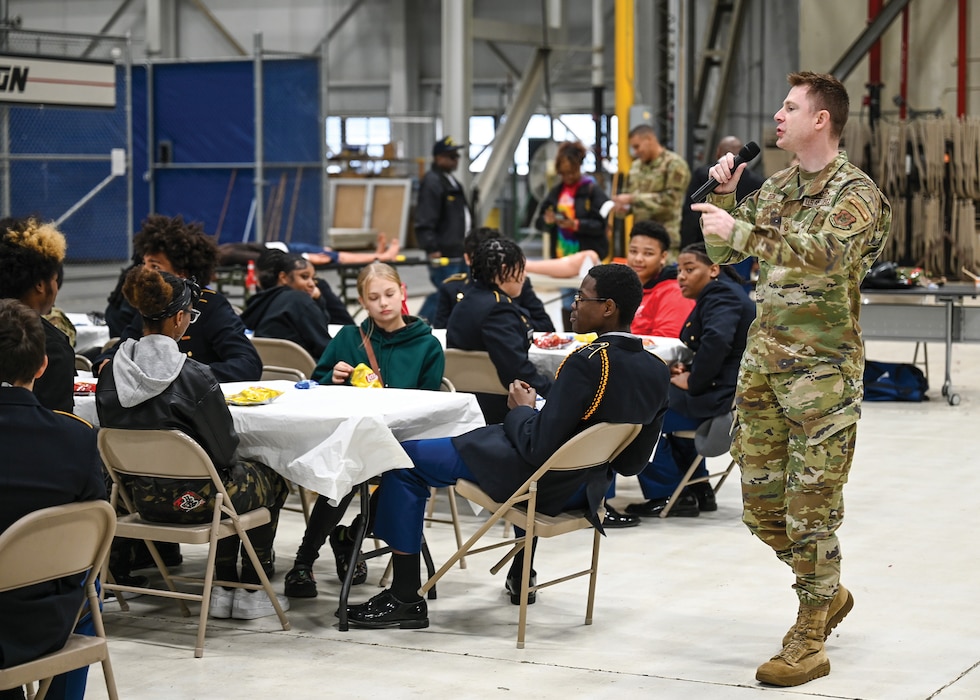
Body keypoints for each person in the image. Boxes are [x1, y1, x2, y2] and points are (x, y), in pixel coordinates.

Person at [692, 71, 891, 687]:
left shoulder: (856, 195)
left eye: (790, 107)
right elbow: (724, 254)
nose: (778, 116)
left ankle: (809, 635)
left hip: (822, 379)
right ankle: (827, 588)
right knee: (761, 510)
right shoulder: (776, 186)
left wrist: (742, 231)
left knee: (811, 509)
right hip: (763, 371)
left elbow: (829, 253)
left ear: (822, 120)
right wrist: (725, 200)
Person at [344, 264, 670, 630]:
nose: (574, 305)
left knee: (402, 458)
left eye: (581, 297)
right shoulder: (657, 368)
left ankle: (403, 595)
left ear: (608, 307)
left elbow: (536, 447)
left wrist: (522, 410)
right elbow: (631, 464)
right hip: (584, 490)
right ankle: (521, 570)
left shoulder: (587, 362)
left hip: (534, 481)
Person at [95, 266, 290, 620]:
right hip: (196, 504)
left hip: (138, 500)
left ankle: (222, 587)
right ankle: (244, 589)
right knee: (268, 477)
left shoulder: (110, 372)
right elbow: (224, 452)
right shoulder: (196, 376)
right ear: (180, 320)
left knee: (223, 479)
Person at [283, 262, 444, 599]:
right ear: (362, 301)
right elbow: (315, 386)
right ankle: (304, 560)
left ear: (403, 293)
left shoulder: (427, 346)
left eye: (389, 294)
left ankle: (351, 536)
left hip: (402, 442)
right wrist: (333, 377)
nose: (383, 303)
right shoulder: (347, 338)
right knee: (344, 470)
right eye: (374, 297)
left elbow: (430, 408)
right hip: (350, 439)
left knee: (402, 473)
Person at [0, 299, 106, 700]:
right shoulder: (78, 439)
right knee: (86, 585)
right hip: (51, 621)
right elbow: (90, 534)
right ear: (42, 366)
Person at [626, 243, 755, 517]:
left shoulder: (721, 296)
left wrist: (694, 380)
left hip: (719, 400)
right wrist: (687, 370)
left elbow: (717, 341)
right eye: (680, 270)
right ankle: (698, 490)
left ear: (713, 269)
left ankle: (669, 495)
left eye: (690, 269)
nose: (681, 276)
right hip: (722, 392)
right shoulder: (721, 294)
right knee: (660, 401)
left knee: (638, 413)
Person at [95, 215, 262, 383]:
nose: (144, 273)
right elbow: (121, 348)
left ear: (182, 274)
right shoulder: (152, 306)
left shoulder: (211, 306)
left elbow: (247, 364)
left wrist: (182, 376)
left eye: (155, 266)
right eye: (143, 264)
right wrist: (106, 362)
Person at [446, 238, 553, 424]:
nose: (525, 275)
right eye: (522, 268)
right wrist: (558, 391)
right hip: (498, 408)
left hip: (467, 402)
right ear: (505, 270)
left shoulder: (467, 300)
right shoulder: (498, 310)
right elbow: (517, 370)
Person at [0, 217, 74, 413]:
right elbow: (57, 426)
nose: (56, 288)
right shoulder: (53, 348)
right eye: (55, 280)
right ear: (40, 285)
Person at [433, 227, 554, 332]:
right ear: (467, 258)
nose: (487, 267)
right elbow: (441, 330)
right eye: (480, 261)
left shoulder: (517, 282)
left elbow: (546, 326)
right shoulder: (451, 288)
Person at [415, 136, 471, 322]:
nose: (455, 160)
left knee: (457, 292)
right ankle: (418, 325)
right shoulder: (432, 182)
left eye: (457, 156)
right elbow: (425, 218)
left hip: (459, 251)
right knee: (445, 292)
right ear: (438, 158)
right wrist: (431, 248)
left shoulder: (450, 181)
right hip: (444, 253)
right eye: (451, 156)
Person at [240, 249, 333, 359]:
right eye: (304, 277)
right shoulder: (299, 300)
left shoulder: (263, 301)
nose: (312, 284)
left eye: (313, 278)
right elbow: (325, 348)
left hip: (271, 370)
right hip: (304, 370)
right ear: (283, 277)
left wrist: (318, 300)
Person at [612, 124, 691, 252]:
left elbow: (671, 201)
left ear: (649, 139)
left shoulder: (674, 164)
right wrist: (622, 207)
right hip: (639, 240)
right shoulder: (635, 167)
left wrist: (633, 199)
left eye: (637, 147)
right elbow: (629, 199)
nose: (635, 152)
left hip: (664, 241)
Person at [680, 135, 765, 250]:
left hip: (705, 241)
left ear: (718, 152)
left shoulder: (702, 174)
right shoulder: (758, 181)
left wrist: (687, 245)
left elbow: (691, 212)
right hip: (744, 245)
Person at [535, 140, 615, 261]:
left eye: (572, 172)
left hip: (587, 257)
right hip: (560, 257)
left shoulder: (592, 190)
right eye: (564, 173)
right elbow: (539, 222)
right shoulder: (556, 193)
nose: (569, 177)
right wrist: (547, 221)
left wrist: (576, 224)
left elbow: (600, 225)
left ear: (579, 166)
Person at [627, 220, 695, 337]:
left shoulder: (675, 292)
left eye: (648, 254)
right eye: (633, 251)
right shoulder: (626, 287)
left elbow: (667, 342)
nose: (638, 259)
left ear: (663, 257)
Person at [216, 233, 400, 268]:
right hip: (289, 252)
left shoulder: (224, 251)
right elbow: (266, 259)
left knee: (330, 252)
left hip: (286, 248)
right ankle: (380, 256)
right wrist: (304, 257)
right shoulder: (226, 253)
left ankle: (376, 255)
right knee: (334, 257)